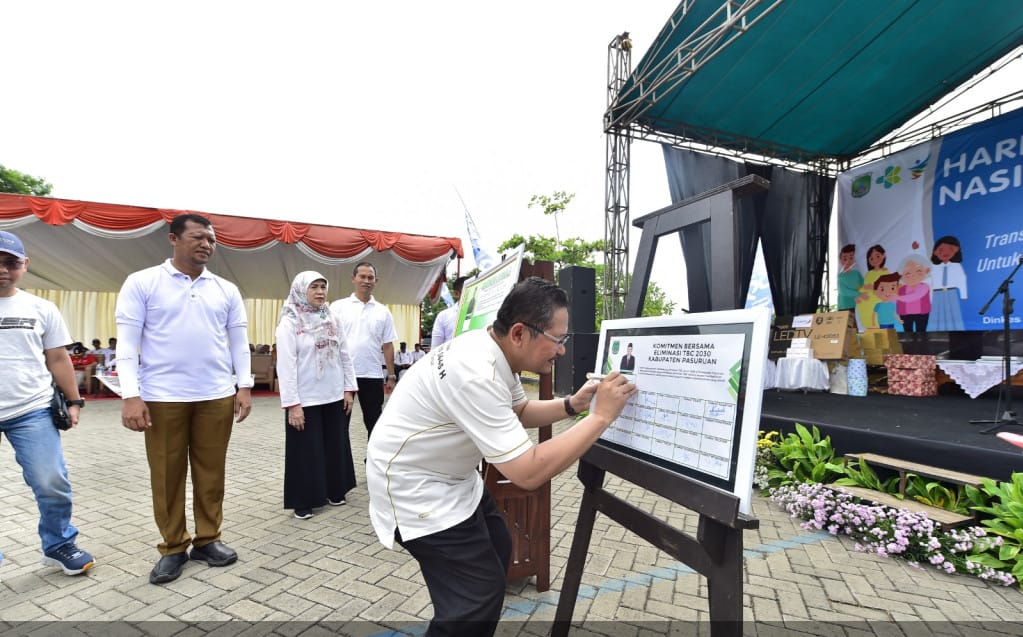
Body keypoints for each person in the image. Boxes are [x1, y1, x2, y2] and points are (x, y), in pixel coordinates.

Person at [367, 277, 638, 637]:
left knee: (498, 543)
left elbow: (519, 410)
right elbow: (527, 472)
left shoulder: (491, 348)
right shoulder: (476, 372)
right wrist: (601, 417)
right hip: (414, 487)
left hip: (453, 478)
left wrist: (574, 405)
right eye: (558, 340)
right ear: (520, 333)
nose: (561, 351)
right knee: (475, 599)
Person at [114, 213, 253, 585]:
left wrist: (245, 385)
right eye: (197, 237)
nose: (206, 243)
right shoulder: (142, 282)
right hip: (161, 397)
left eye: (210, 238)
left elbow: (239, 342)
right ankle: (173, 546)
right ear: (173, 238)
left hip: (216, 395)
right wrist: (131, 395)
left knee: (211, 473)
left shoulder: (226, 289)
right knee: (166, 475)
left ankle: (208, 540)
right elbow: (126, 345)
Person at [0, 230, 95, 576]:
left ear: (24, 265)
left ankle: (58, 545)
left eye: (10, 262)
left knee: (51, 480)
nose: (3, 270)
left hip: (31, 410)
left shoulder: (41, 308)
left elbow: (58, 358)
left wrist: (74, 401)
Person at [275, 271, 358, 520]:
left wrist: (348, 390)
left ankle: (335, 490)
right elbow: (286, 366)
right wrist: (293, 405)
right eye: (314, 287)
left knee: (336, 445)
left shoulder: (331, 317)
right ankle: (304, 500)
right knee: (306, 451)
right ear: (301, 290)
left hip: (333, 394)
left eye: (323, 286)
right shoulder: (290, 322)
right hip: (306, 399)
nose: (321, 291)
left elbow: (345, 355)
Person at [329, 262, 397, 439]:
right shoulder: (337, 307)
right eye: (362, 277)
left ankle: (374, 463)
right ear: (353, 279)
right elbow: (328, 340)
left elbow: (388, 345)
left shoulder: (383, 312)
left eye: (370, 277)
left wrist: (391, 375)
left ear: (376, 281)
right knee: (339, 424)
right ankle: (340, 465)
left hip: (372, 374)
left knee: (374, 424)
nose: (366, 281)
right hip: (342, 374)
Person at [930, 235, 967, 331]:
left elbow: (962, 280)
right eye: (941, 249)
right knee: (936, 315)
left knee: (953, 313)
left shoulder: (956, 266)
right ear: (935, 252)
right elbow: (929, 282)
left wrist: (964, 295)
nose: (945, 253)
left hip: (951, 293)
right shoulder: (933, 267)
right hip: (936, 294)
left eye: (951, 249)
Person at [431, 276, 469, 348]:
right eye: (468, 291)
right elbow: (435, 348)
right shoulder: (443, 316)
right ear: (457, 294)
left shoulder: (482, 312)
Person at [836, 244, 864, 311]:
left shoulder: (857, 274)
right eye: (845, 258)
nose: (848, 261)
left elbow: (861, 285)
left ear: (854, 259)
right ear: (840, 260)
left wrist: (860, 295)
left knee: (855, 320)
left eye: (851, 258)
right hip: (844, 305)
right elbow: (843, 291)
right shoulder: (841, 276)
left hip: (857, 305)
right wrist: (859, 294)